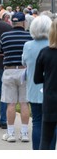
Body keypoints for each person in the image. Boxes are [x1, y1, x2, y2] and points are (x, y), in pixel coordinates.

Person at [22, 15, 56, 149]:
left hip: (34, 89)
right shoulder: (50, 47)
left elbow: (23, 62)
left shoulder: (28, 46)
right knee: (52, 126)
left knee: (36, 122)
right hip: (51, 90)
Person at [0, 12, 32, 143]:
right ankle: (24, 133)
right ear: (24, 23)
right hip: (24, 71)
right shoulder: (29, 36)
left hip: (9, 70)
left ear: (12, 22)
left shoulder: (5, 36)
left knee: (10, 103)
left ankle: (11, 133)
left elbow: (0, 52)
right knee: (24, 103)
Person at [34, 19, 57, 150]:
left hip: (50, 99)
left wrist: (49, 78)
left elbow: (37, 78)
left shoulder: (45, 52)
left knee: (46, 139)